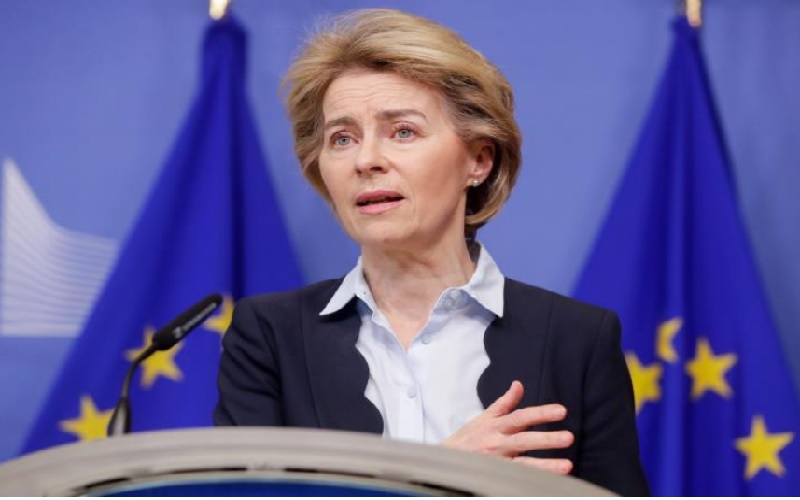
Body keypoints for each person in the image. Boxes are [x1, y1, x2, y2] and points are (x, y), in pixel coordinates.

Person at [214, 8, 649, 496]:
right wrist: (440, 475)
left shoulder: (577, 340)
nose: (366, 160)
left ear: (478, 160)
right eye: (342, 139)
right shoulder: (269, 337)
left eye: (403, 131)